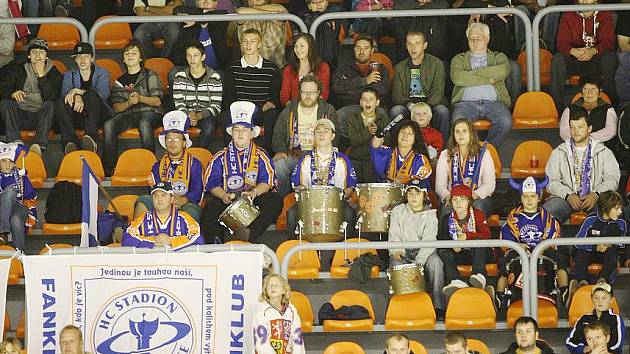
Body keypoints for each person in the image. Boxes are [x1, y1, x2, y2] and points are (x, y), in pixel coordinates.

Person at [202, 101, 282, 243]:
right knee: (210, 208)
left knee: (274, 200)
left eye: (245, 130)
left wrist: (254, 192)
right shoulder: (219, 157)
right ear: (231, 133)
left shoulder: (261, 155)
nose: (240, 133)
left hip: (253, 200)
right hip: (227, 200)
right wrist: (223, 195)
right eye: (236, 129)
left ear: (252, 134)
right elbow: (211, 183)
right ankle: (215, 245)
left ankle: (249, 234)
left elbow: (267, 182)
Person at [496, 176, 571, 310]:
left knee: (559, 258)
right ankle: (500, 295)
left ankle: (564, 290)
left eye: (533, 196)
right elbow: (506, 239)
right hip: (519, 250)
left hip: (542, 249)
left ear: (539, 197)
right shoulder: (514, 218)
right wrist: (517, 246)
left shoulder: (547, 218)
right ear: (521, 198)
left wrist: (541, 247)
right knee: (504, 263)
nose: (529, 200)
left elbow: (553, 235)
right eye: (526, 196)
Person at [543, 108, 620, 223]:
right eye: (572, 127)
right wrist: (568, 195)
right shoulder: (559, 151)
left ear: (589, 128)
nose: (576, 131)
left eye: (580, 127)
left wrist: (596, 194)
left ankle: (604, 241)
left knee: (612, 210)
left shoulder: (603, 151)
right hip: (565, 199)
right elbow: (550, 181)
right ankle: (556, 240)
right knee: (546, 213)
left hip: (597, 198)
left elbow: (612, 179)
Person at [289, 118, 357, 236]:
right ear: (314, 135)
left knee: (349, 213)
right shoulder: (306, 159)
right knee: (291, 213)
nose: (321, 134)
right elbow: (297, 184)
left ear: (333, 135)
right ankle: (295, 247)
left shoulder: (342, 159)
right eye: (318, 131)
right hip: (310, 203)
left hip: (336, 203)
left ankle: (345, 250)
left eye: (326, 131)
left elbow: (351, 186)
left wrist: (338, 198)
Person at [272, 75, 339, 196]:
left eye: (312, 92)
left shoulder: (328, 110)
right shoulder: (289, 110)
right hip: (294, 154)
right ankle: (283, 200)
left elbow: (336, 137)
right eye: (304, 92)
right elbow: (278, 136)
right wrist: (281, 150)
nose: (308, 96)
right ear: (299, 92)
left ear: (318, 92)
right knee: (278, 165)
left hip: (319, 155)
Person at [104, 42, 164, 175]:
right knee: (109, 124)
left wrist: (140, 98)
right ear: (123, 59)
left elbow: (158, 101)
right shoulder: (119, 81)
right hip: (130, 113)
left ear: (141, 58)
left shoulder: (150, 75)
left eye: (134, 53)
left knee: (144, 123)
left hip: (150, 112)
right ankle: (108, 168)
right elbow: (116, 107)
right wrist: (129, 103)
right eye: (127, 54)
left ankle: (150, 166)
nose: (130, 56)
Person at [389, 178, 445, 317]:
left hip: (424, 252)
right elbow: (394, 234)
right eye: (410, 193)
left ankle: (438, 306)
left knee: (435, 263)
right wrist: (396, 251)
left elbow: (429, 241)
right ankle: (402, 307)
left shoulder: (431, 216)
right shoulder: (398, 211)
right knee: (396, 264)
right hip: (403, 250)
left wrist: (418, 263)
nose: (413, 197)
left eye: (417, 193)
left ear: (424, 195)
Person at [134, 111, 204, 221]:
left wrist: (182, 200)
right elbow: (152, 189)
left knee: (191, 211)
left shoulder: (194, 164)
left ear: (184, 143)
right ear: (165, 143)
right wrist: (167, 201)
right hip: (161, 201)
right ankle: (138, 236)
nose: (172, 143)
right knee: (143, 200)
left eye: (177, 139)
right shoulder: (157, 166)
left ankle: (186, 238)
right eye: (169, 139)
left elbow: (197, 191)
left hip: (185, 203)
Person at [450, 22, 513, 147]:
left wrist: (471, 74)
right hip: (465, 103)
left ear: (487, 38)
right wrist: (489, 77)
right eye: (471, 39)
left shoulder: (498, 57)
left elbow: (504, 70)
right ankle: (469, 152)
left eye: (479, 38)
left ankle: (486, 151)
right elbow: (458, 78)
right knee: (457, 122)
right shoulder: (459, 59)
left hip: (494, 103)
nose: (475, 42)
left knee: (505, 122)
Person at [223, 28, 281, 152]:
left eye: (252, 41)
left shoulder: (272, 68)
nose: (248, 45)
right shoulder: (232, 68)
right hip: (239, 111)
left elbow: (274, 98)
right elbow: (229, 98)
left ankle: (266, 153)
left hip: (261, 111)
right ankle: (230, 153)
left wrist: (264, 107)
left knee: (272, 115)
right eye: (245, 41)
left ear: (259, 44)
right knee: (225, 116)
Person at [0, 38, 61, 156]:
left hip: (41, 118)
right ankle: (14, 142)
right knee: (5, 102)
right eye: (34, 52)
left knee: (50, 104)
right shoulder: (17, 68)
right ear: (28, 56)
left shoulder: (54, 72)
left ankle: (39, 145)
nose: (38, 55)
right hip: (20, 115)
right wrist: (12, 93)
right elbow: (3, 87)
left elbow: (52, 97)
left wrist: (42, 76)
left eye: (41, 52)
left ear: (46, 56)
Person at [551, 0, 617, 109]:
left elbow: (608, 42)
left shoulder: (605, 14)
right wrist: (573, 51)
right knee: (558, 59)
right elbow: (561, 43)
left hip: (596, 59)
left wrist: (593, 51)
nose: (585, 1)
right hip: (575, 58)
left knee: (610, 58)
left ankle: (610, 105)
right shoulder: (568, 14)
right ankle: (557, 108)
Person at [391, 31, 450, 143]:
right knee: (396, 111)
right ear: (406, 45)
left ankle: (444, 150)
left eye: (417, 43)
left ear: (425, 45)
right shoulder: (400, 67)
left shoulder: (437, 64)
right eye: (410, 44)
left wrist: (426, 107)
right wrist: (409, 105)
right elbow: (396, 94)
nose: (413, 47)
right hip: (410, 105)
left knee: (442, 111)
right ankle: (397, 147)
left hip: (431, 103)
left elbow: (438, 91)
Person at [57, 42, 112, 154]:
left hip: (98, 115)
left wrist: (77, 92)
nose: (82, 60)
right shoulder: (69, 75)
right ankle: (70, 143)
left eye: (86, 56)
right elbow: (65, 95)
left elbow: (103, 94)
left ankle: (91, 139)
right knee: (60, 103)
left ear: (92, 58)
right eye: (79, 57)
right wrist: (76, 96)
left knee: (90, 95)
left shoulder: (102, 73)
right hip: (78, 115)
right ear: (75, 60)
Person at [332, 36, 390, 143]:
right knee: (338, 115)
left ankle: (374, 145)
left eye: (366, 48)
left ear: (372, 51)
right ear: (354, 49)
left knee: (383, 115)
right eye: (358, 47)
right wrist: (365, 81)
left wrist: (351, 89)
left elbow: (382, 90)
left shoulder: (380, 68)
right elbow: (338, 87)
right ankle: (355, 146)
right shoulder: (344, 68)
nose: (361, 51)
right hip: (350, 108)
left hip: (375, 108)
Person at [438, 184, 491, 299]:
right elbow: (442, 239)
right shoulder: (446, 219)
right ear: (451, 202)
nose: (458, 203)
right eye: (455, 199)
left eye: (462, 199)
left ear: (469, 202)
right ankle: (456, 280)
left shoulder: (478, 215)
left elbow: (487, 235)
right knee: (443, 251)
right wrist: (453, 244)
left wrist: (467, 237)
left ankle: (479, 276)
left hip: (478, 254)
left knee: (478, 241)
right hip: (459, 254)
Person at [435, 118, 495, 218]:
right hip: (453, 198)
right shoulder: (446, 154)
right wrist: (450, 197)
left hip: (477, 198)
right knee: (446, 210)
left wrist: (471, 196)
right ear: (453, 134)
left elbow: (489, 185)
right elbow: (440, 186)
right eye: (457, 131)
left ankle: (476, 234)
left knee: (477, 207)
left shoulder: (483, 153)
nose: (460, 134)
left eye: (464, 131)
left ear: (471, 133)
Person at [171, 40, 223, 149]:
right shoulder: (179, 77)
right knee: (174, 126)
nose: (192, 59)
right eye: (189, 56)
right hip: (185, 114)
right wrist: (189, 114)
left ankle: (197, 153)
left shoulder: (214, 77)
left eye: (195, 55)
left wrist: (199, 116)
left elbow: (216, 107)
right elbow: (179, 104)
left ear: (203, 57)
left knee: (209, 126)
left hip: (205, 115)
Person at [123, 182, 204, 250]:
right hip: (151, 264)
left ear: (171, 199)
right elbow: (127, 239)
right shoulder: (142, 219)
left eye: (163, 195)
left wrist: (171, 241)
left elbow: (198, 238)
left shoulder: (184, 218)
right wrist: (153, 241)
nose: (159, 199)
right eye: (156, 196)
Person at [573, 190, 626, 286]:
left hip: (607, 254)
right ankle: (582, 283)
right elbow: (577, 243)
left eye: (620, 208)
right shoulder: (590, 220)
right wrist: (595, 247)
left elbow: (622, 245)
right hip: (589, 252)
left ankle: (603, 280)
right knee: (582, 254)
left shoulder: (621, 223)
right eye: (616, 208)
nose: (620, 212)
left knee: (612, 253)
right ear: (605, 208)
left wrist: (611, 244)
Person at [559, 74, 618, 151]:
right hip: (575, 149)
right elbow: (564, 131)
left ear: (600, 91)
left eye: (593, 89)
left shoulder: (608, 109)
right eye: (585, 89)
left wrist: (587, 139)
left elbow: (611, 130)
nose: (589, 93)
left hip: (602, 150)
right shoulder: (570, 109)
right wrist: (579, 141)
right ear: (581, 91)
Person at [566, 282, 625, 354]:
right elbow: (570, 341)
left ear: (611, 300)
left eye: (604, 298)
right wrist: (584, 349)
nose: (600, 301)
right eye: (596, 298)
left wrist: (601, 351)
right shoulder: (584, 318)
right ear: (592, 299)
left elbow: (618, 344)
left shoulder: (616, 318)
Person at [252, 273, 305, 354]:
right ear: (265, 290)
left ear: (284, 290)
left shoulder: (291, 310)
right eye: (269, 286)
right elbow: (261, 343)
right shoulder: (261, 311)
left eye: (276, 285)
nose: (272, 287)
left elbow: (297, 339)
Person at [168, 1, 228, 71]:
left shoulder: (220, 18)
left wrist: (197, 20)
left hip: (215, 69)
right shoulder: (188, 19)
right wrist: (198, 17)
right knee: (173, 72)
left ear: (216, 3)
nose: (205, 2)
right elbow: (177, 10)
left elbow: (224, 14)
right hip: (189, 69)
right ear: (196, 3)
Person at [370, 120, 432, 187]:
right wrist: (379, 135)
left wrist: (402, 181)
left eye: (410, 133)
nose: (405, 135)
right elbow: (375, 147)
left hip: (411, 195)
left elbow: (420, 180)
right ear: (397, 134)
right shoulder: (387, 152)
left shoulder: (420, 159)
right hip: (386, 193)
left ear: (415, 138)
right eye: (402, 132)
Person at [347, 88, 390, 182]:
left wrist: (378, 133)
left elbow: (387, 142)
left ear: (377, 102)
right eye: (364, 99)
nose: (367, 102)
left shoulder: (383, 119)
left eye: (371, 99)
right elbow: (353, 141)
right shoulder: (353, 118)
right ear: (360, 102)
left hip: (374, 160)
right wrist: (367, 132)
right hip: (356, 159)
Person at [0, 143, 36, 251]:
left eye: (10, 162)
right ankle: (18, 251)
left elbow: (30, 197)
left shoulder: (20, 175)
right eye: (4, 161)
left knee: (10, 191)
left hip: (19, 206)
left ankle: (3, 234)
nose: (7, 165)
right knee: (15, 219)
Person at [280, 33, 330, 107]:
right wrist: (296, 109)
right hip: (294, 108)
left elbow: (324, 94)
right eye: (295, 46)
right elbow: (284, 97)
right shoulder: (289, 69)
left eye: (302, 46)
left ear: (310, 47)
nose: (298, 50)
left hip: (317, 108)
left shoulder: (323, 67)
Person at [235, 0, 288, 68]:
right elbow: (240, 12)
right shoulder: (245, 16)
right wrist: (268, 14)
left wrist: (255, 11)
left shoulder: (277, 9)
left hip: (276, 68)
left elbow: (280, 9)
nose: (253, 1)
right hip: (249, 68)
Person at [300, 0, 342, 71]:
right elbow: (308, 20)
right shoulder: (304, 16)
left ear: (327, 2)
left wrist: (326, 16)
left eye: (321, 1)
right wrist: (323, 17)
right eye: (314, 2)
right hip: (310, 62)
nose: (318, 5)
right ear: (309, 6)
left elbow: (339, 9)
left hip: (331, 62)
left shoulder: (335, 15)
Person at [615, 10, 630, 106]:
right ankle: (626, 104)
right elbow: (623, 45)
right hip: (628, 53)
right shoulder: (627, 12)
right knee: (624, 58)